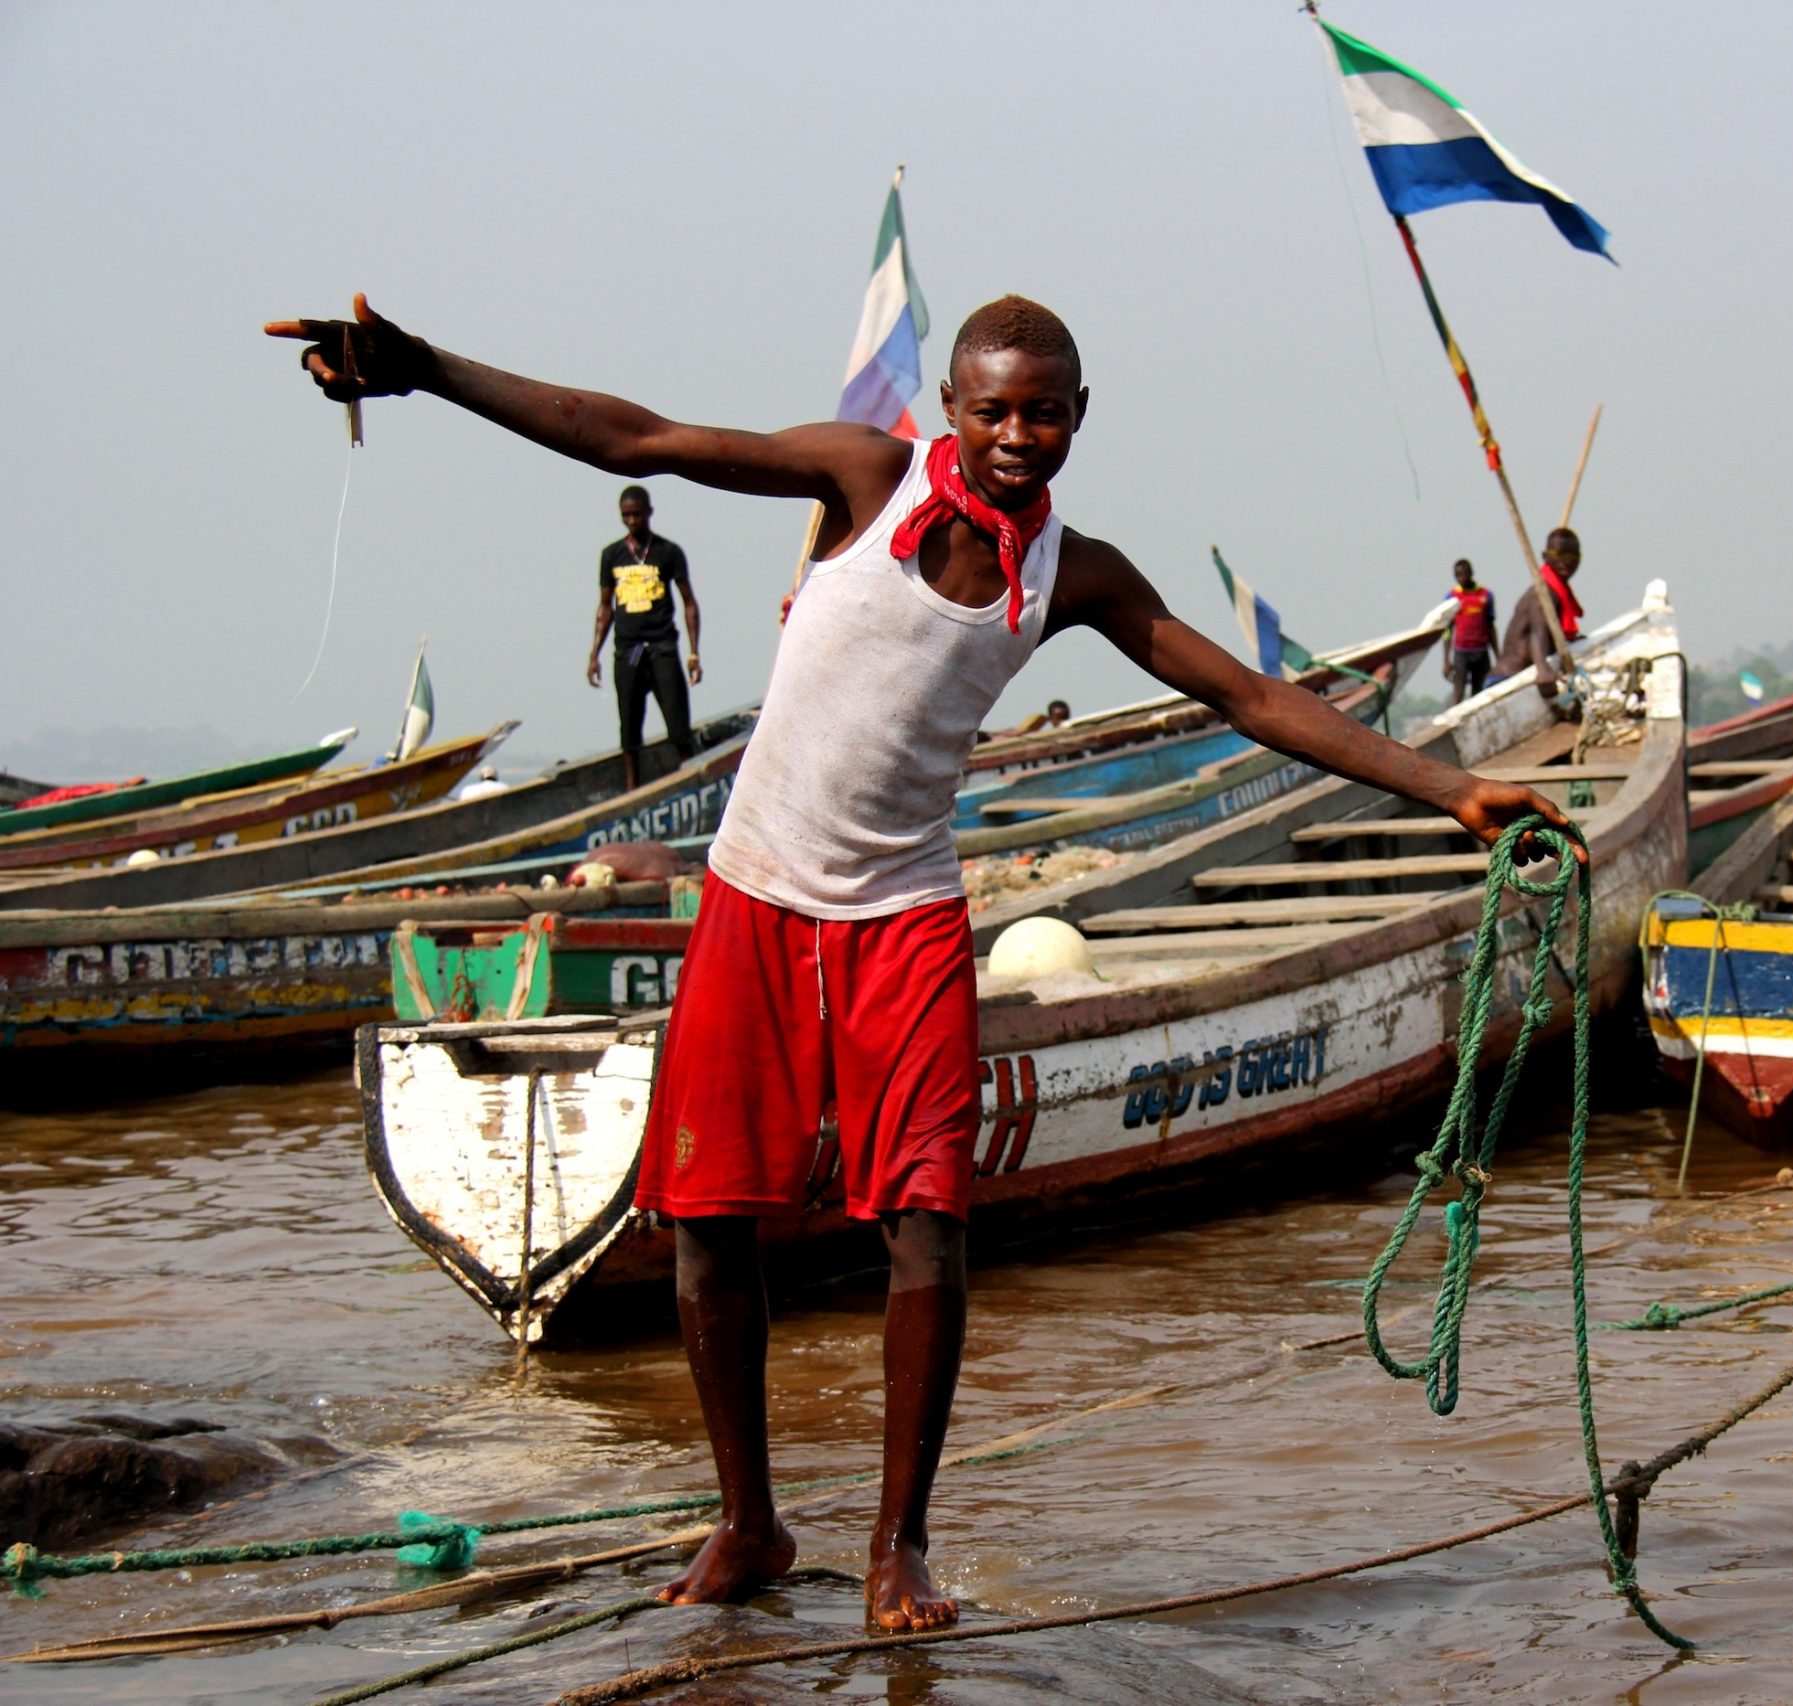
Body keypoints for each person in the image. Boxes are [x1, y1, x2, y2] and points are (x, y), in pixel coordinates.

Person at [267, 292, 1573, 1630]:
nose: (1019, 434)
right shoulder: (864, 479)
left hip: (902, 915)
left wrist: (1448, 790)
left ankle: (899, 1543)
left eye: (1045, 409)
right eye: (995, 408)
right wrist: (421, 367)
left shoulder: (1076, 569)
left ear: (1079, 415)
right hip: (758, 893)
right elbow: (635, 437)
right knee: (709, 1219)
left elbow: (1248, 696)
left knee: (928, 1216)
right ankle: (750, 1521)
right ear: (949, 408)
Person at [588, 485, 703, 789]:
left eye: (637, 514)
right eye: (626, 516)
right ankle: (632, 790)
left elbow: (689, 602)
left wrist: (694, 653)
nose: (632, 521)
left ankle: (690, 780)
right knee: (629, 729)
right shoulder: (611, 555)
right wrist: (594, 655)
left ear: (649, 513)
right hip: (627, 652)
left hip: (662, 647)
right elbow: (605, 608)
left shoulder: (669, 552)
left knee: (678, 726)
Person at [1494, 527, 1585, 697]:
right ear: (1545, 557)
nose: (1567, 562)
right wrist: (1542, 669)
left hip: (1519, 677)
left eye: (1573, 556)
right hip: (1508, 679)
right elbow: (1538, 631)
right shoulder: (1543, 592)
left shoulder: (1558, 590)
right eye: (1560, 555)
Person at [1442, 559, 1496, 700]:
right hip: (1461, 651)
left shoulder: (1485, 595)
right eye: (1458, 576)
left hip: (1481, 651)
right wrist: (1446, 660)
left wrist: (1498, 654)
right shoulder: (1452, 597)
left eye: (1464, 574)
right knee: (1458, 690)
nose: (1461, 578)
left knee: (1480, 693)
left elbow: (1490, 626)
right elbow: (1447, 629)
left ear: (1471, 573)